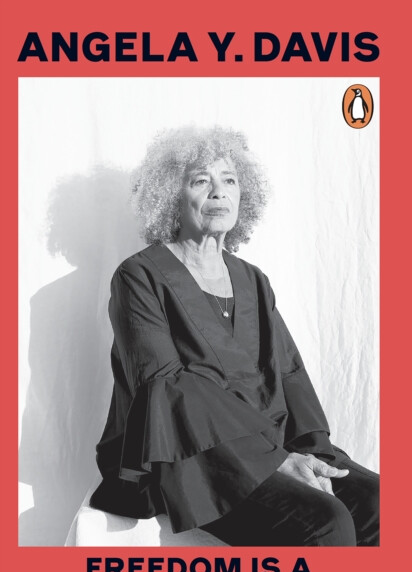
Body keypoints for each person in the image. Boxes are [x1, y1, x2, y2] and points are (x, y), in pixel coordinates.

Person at [90, 126, 379, 546]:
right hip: (194, 458)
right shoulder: (139, 277)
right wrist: (274, 461)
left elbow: (289, 373)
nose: (218, 192)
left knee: (379, 501)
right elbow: (164, 385)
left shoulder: (252, 279)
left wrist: (311, 452)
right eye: (200, 180)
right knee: (325, 522)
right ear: (170, 196)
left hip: (272, 444)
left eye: (229, 180)